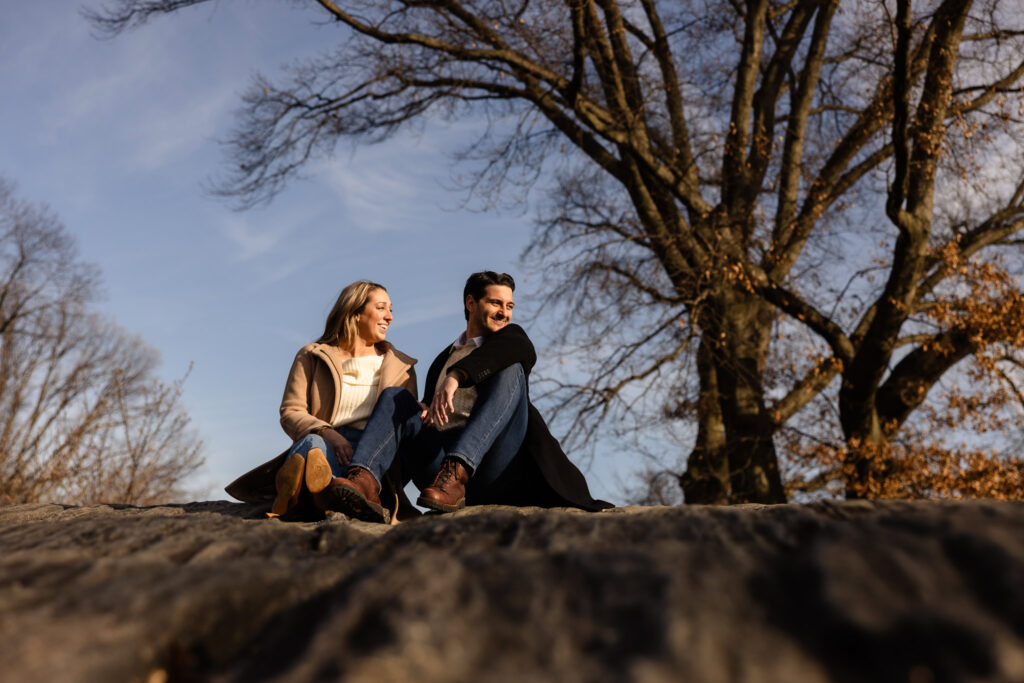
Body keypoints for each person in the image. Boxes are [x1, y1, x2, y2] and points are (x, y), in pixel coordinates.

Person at [317, 271, 611, 523]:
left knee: (511, 371)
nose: (504, 312)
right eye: (496, 302)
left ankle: (458, 471)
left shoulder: (513, 341)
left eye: (509, 305)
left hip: (494, 464)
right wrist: (423, 410)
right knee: (396, 397)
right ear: (471, 303)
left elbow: (512, 352)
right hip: (438, 471)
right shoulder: (441, 360)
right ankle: (365, 481)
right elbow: (427, 417)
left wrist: (456, 377)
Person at [224, 281, 417, 522]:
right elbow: (291, 411)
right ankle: (318, 492)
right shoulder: (312, 355)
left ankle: (300, 494)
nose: (389, 317)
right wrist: (330, 435)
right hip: (327, 441)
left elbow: (401, 425)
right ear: (355, 313)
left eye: (391, 310)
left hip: (372, 454)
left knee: (314, 456)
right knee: (313, 445)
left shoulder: (401, 367)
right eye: (381, 308)